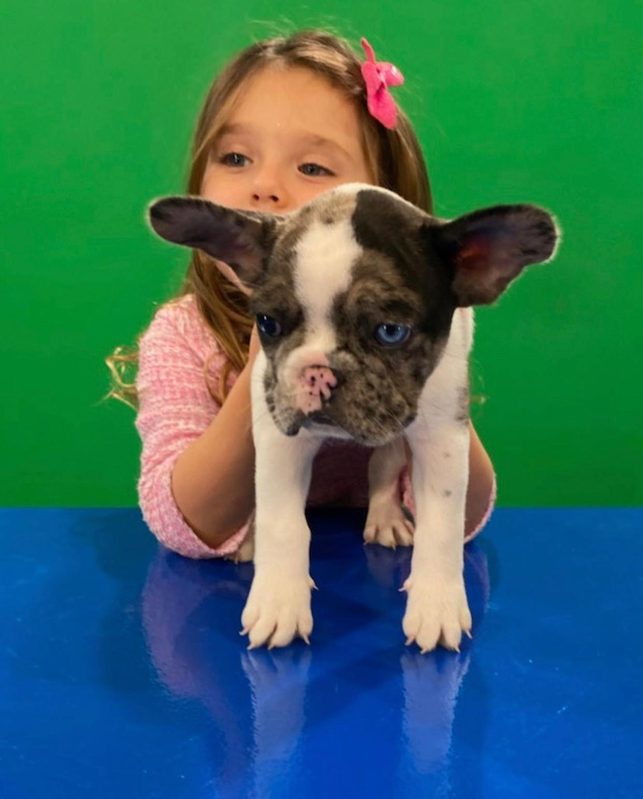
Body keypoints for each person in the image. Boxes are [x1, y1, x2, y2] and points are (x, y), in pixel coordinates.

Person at [106, 29, 496, 560]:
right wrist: (264, 363)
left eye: (312, 167)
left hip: (372, 562)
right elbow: (183, 525)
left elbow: (462, 517)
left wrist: (436, 375)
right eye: (235, 158)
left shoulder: (410, 321)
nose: (265, 186)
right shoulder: (183, 335)